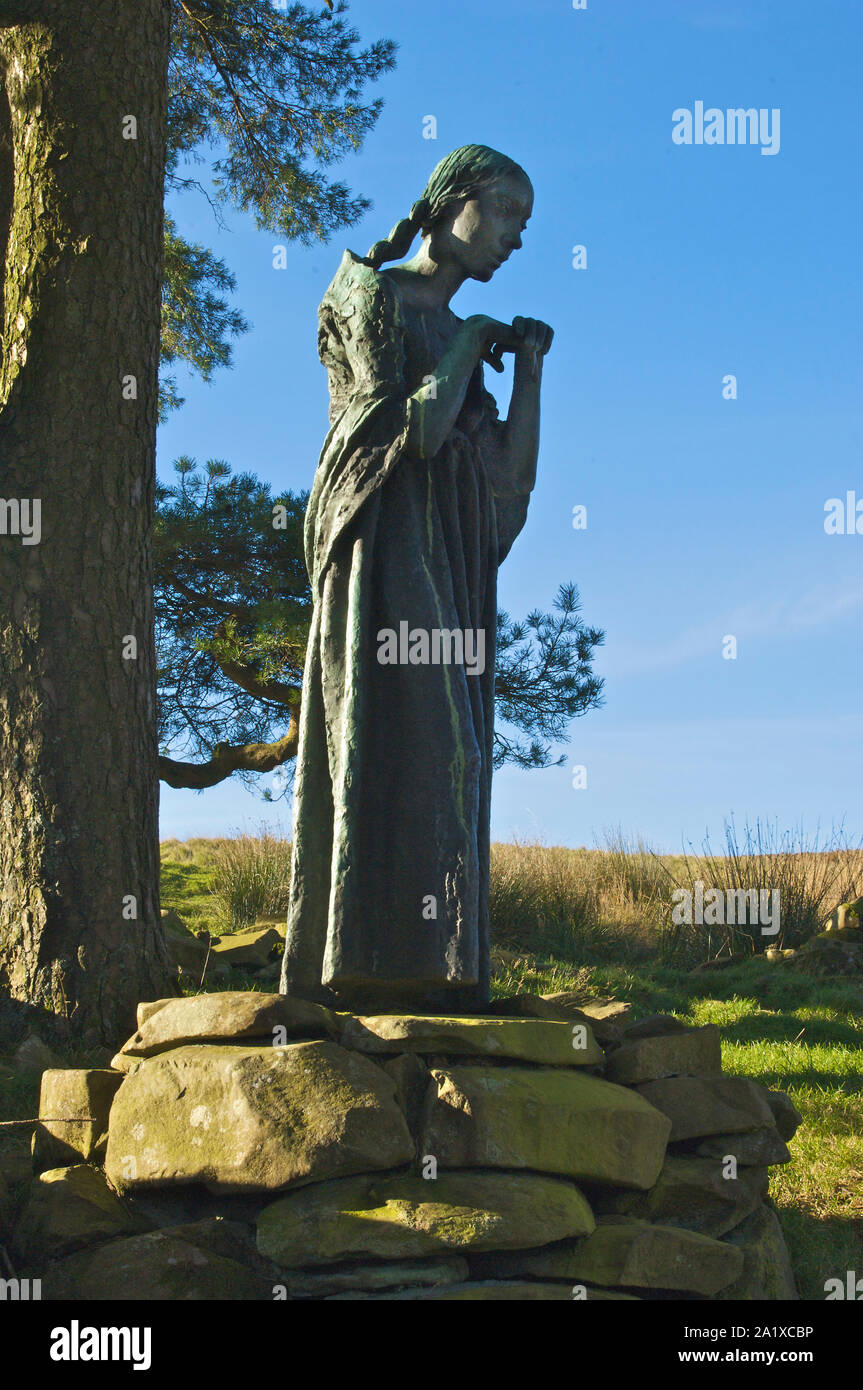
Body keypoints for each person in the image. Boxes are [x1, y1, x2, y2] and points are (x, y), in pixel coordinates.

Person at [281, 144, 554, 1011]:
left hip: (452, 556)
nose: (513, 237)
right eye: (504, 211)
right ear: (449, 201)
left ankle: (436, 972)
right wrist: (473, 339)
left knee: (455, 759)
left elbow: (509, 483)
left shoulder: (460, 332)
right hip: (384, 548)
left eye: (525, 223)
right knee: (397, 740)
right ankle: (360, 960)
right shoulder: (367, 293)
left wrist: (532, 377)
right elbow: (413, 431)